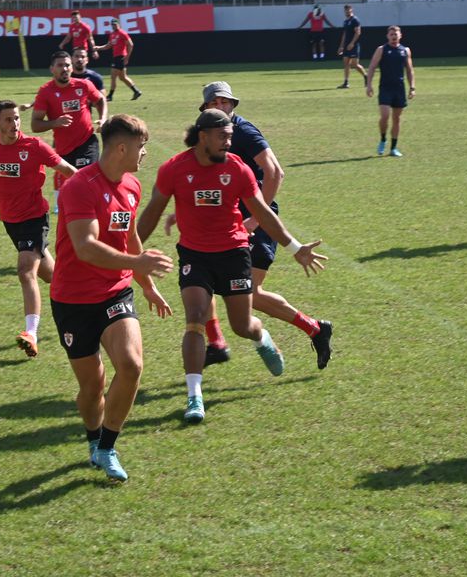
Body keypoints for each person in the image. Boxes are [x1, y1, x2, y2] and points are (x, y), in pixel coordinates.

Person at [136, 109, 327, 424]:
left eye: (230, 136)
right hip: (195, 256)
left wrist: (295, 248)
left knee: (242, 326)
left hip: (234, 255)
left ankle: (261, 337)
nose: (228, 142)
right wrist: (128, 252)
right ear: (203, 137)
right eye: (222, 137)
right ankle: (194, 397)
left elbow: (263, 213)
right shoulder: (174, 168)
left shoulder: (238, 168)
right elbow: (152, 212)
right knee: (195, 318)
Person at [170, 82, 334, 370]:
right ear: (205, 108)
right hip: (228, 222)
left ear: (233, 105)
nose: (221, 107)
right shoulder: (208, 135)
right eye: (215, 103)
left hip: (254, 222)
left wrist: (255, 219)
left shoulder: (243, 132)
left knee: (250, 293)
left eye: (225, 102)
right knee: (204, 280)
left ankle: (315, 329)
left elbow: (275, 172)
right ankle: (217, 343)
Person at [49, 114, 173, 482]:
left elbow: (129, 236)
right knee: (92, 387)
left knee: (131, 365)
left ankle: (107, 447)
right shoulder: (78, 187)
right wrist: (138, 263)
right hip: (73, 299)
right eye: (141, 146)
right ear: (121, 148)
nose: (144, 153)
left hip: (115, 292)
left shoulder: (132, 185)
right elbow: (85, 247)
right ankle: (93, 439)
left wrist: (146, 283)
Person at [0, 100, 78, 357]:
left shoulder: (34, 146)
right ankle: (83, 292)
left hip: (35, 218)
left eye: (16, 118)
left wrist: (97, 192)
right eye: (8, 119)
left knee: (25, 271)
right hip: (11, 222)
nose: (14, 123)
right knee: (54, 277)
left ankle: (31, 333)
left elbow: (68, 170)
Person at [31, 50, 108, 210]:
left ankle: (93, 209)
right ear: (52, 69)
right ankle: (61, 208)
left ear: (71, 68)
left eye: (67, 65)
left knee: (86, 177)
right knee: (67, 181)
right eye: (60, 65)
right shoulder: (45, 92)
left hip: (87, 142)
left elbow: (100, 100)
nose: (64, 69)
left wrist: (103, 118)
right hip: (63, 147)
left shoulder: (83, 85)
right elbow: (35, 125)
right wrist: (55, 122)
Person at [365, 25, 415, 157]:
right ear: (387, 36)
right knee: (385, 116)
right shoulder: (381, 49)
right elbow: (372, 67)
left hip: (399, 89)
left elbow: (409, 70)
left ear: (400, 36)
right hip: (385, 88)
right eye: (391, 34)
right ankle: (383, 139)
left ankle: (393, 148)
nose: (394, 37)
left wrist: (412, 87)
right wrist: (369, 85)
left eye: (396, 34)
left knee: (396, 118)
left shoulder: (405, 50)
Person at [93, 19, 142, 101]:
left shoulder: (122, 33)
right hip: (116, 57)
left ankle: (110, 96)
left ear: (119, 24)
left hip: (120, 57)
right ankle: (136, 91)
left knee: (113, 76)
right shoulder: (112, 34)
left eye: (115, 24)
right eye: (112, 25)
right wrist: (99, 48)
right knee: (123, 77)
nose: (114, 26)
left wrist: (127, 57)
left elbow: (131, 44)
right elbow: (108, 46)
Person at [336, 4, 368, 88]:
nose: (347, 12)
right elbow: (344, 34)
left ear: (351, 10)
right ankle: (346, 82)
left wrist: (352, 43)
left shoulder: (355, 20)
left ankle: (366, 76)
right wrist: (341, 46)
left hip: (354, 45)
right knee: (346, 63)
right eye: (345, 10)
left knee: (355, 64)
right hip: (346, 46)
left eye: (348, 10)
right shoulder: (345, 21)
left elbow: (358, 32)